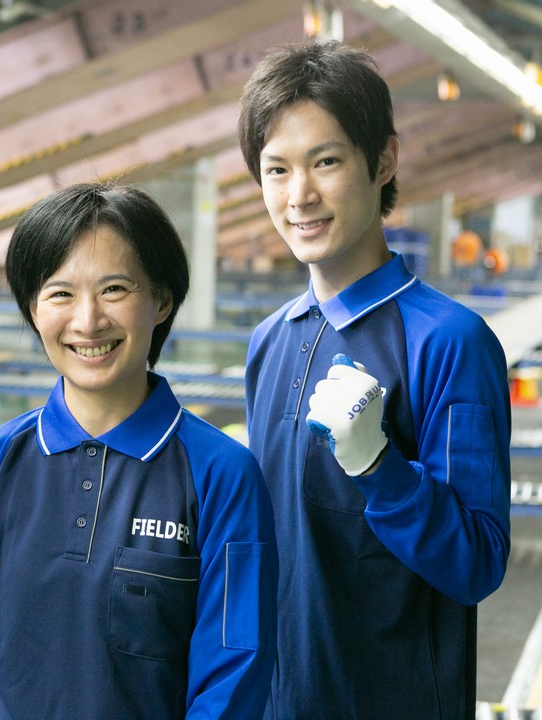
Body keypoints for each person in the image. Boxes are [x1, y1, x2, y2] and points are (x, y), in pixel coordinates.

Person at [0, 181, 278, 719]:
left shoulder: (222, 476)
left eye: (114, 289)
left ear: (161, 299)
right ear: (33, 309)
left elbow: (232, 677)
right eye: (61, 293)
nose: (88, 321)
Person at [237, 40, 511, 719]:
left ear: (382, 160)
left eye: (325, 162)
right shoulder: (269, 341)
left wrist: (379, 467)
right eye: (276, 169)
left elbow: (476, 563)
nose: (299, 195)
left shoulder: (450, 341)